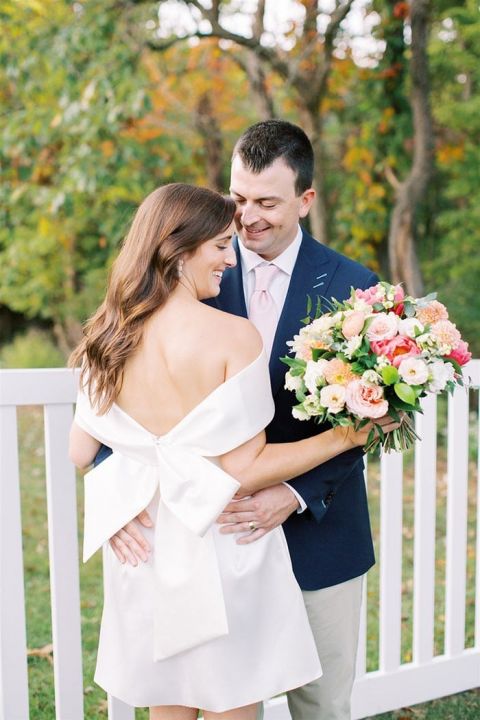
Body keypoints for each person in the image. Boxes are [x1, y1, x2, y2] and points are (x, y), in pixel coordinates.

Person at [69, 182, 396, 720]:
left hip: (147, 547)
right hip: (222, 542)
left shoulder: (108, 334)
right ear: (179, 249)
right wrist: (348, 435)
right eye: (220, 244)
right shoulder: (234, 337)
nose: (231, 255)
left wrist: (120, 504)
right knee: (233, 703)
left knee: (167, 705)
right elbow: (243, 471)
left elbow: (82, 450)